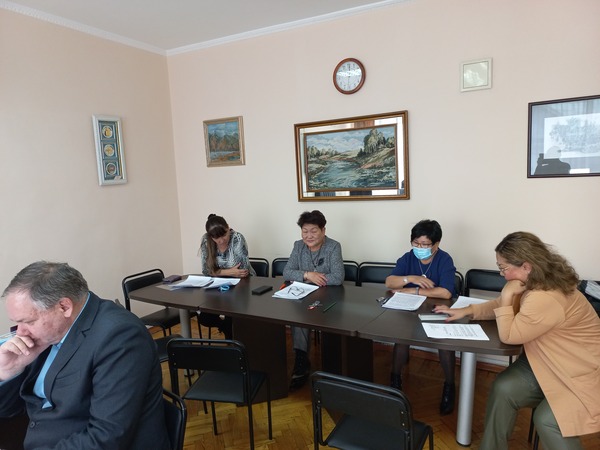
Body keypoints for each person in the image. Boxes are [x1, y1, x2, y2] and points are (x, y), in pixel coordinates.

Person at [435, 232, 600, 449]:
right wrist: (467, 311)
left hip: (579, 373)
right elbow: (501, 307)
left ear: (526, 266)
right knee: (504, 388)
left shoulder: (547, 296)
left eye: (503, 268)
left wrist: (506, 295)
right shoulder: (535, 282)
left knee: (547, 420)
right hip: (545, 362)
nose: (502, 274)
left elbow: (510, 335)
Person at [0, 261, 170, 450]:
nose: (20, 332)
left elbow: (106, 437)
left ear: (64, 307)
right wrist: (7, 370)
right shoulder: (45, 335)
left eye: (28, 322)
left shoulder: (120, 337)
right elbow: (7, 410)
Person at [385, 219, 457, 415]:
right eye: (416, 243)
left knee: (445, 343)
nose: (419, 248)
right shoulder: (408, 258)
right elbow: (390, 282)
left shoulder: (444, 259)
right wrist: (411, 278)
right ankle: (395, 381)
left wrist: (413, 290)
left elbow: (446, 293)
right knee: (401, 337)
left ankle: (449, 385)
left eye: (425, 244)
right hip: (410, 310)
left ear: (436, 244)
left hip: (437, 310)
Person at [283, 210, 344, 390]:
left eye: (313, 231)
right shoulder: (298, 246)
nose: (308, 236)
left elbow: (338, 277)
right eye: (305, 231)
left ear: (323, 230)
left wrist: (306, 278)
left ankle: (333, 367)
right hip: (304, 296)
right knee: (299, 318)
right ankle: (301, 361)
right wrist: (308, 275)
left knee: (330, 318)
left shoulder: (333, 246)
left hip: (330, 297)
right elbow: (287, 272)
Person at [198, 213, 255, 339]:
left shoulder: (237, 238)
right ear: (210, 236)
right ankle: (225, 327)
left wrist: (217, 271)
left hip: (242, 284)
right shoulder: (206, 240)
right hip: (218, 286)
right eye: (216, 238)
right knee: (205, 317)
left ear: (228, 227)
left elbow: (242, 271)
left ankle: (232, 338)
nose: (221, 240)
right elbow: (205, 270)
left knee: (232, 315)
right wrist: (229, 272)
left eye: (224, 235)